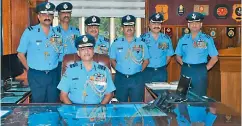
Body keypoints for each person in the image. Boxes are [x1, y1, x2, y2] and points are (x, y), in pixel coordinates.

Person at [17, 2, 60, 103]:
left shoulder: (57, 34)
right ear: (38, 16)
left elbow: (60, 54)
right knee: (38, 106)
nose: (47, 17)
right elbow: (20, 54)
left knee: (53, 106)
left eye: (49, 14)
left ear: (53, 17)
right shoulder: (29, 32)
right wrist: (30, 69)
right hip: (36, 75)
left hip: (53, 75)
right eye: (44, 14)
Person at [57, 34, 116, 104]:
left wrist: (99, 109)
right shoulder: (70, 70)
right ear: (78, 53)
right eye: (82, 49)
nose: (86, 52)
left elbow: (109, 94)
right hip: (74, 109)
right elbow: (63, 96)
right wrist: (73, 111)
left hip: (97, 109)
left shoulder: (103, 71)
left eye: (89, 48)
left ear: (93, 51)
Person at [175, 12, 218, 96]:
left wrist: (204, 69)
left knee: (199, 97)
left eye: (197, 23)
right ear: (188, 25)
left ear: (201, 24)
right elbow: (177, 55)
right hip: (186, 70)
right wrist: (184, 65)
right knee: (182, 96)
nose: (194, 25)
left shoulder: (207, 39)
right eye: (191, 23)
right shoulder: (183, 39)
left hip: (200, 71)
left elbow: (214, 58)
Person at [110, 15, 150, 102]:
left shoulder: (142, 43)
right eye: (126, 26)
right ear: (122, 28)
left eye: (131, 26)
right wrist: (119, 69)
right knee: (120, 105)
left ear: (134, 28)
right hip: (120, 79)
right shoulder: (116, 43)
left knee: (137, 104)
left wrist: (139, 70)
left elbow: (146, 61)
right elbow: (112, 59)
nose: (129, 28)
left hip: (136, 79)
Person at [141, 13, 174, 83]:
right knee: (147, 93)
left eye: (159, 23)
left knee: (161, 93)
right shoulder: (142, 39)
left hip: (161, 72)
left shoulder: (166, 39)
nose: (156, 26)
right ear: (149, 25)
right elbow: (138, 56)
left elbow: (168, 56)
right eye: (154, 23)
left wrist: (161, 65)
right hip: (147, 71)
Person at [55, 2, 80, 83]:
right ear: (59, 15)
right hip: (58, 66)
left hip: (74, 64)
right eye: (63, 13)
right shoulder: (53, 31)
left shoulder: (76, 31)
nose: (66, 15)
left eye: (68, 12)